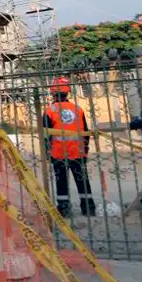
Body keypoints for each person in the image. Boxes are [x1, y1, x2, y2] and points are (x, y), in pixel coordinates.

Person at [43, 76, 96, 217]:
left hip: (58, 153)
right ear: (67, 93)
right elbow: (85, 131)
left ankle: (64, 209)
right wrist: (85, 149)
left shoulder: (50, 110)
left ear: (53, 93)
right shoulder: (78, 109)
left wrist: (47, 152)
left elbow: (46, 134)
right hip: (77, 152)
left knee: (61, 182)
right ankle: (89, 208)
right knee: (82, 180)